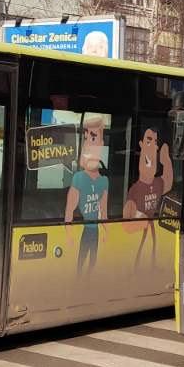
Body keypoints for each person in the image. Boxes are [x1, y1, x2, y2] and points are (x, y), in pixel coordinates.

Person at [123, 125, 172, 269]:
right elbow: (127, 224)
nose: (153, 147)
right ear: (141, 144)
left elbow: (168, 182)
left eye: (155, 143)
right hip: (139, 245)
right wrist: (142, 220)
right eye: (149, 141)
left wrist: (167, 161)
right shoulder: (135, 189)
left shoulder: (157, 183)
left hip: (153, 245)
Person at [64, 116, 109, 274]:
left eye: (93, 138)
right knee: (80, 262)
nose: (87, 144)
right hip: (85, 229)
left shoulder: (104, 181)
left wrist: (106, 231)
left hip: (95, 230)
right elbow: (70, 210)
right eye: (86, 139)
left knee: (92, 262)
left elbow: (104, 211)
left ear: (101, 145)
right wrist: (68, 233)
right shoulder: (79, 178)